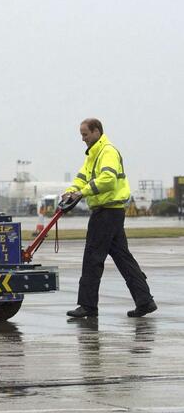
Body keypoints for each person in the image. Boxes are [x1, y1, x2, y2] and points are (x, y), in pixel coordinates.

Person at [62, 118, 157, 318]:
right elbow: (81, 177)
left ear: (96, 132)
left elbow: (108, 179)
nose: (83, 139)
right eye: (81, 135)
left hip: (107, 211)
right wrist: (71, 191)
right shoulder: (93, 154)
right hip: (110, 212)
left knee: (92, 258)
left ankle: (88, 306)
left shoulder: (108, 152)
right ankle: (145, 301)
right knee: (123, 258)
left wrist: (82, 193)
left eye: (85, 134)